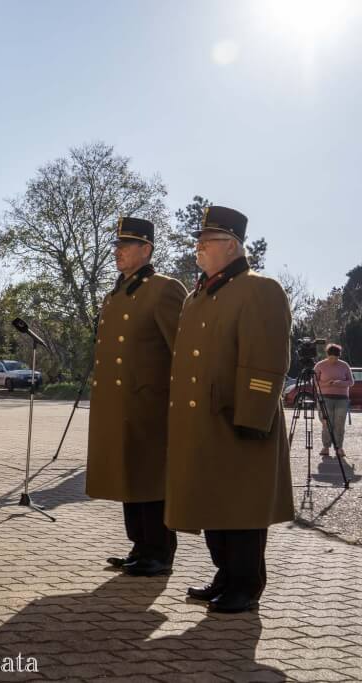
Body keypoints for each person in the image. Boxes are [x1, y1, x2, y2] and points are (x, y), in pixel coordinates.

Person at [165, 206, 293, 614]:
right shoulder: (199, 295)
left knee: (242, 506)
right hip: (204, 420)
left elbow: (267, 360)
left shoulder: (260, 289)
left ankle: (246, 584)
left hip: (240, 418)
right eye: (197, 242)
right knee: (214, 502)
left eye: (206, 243)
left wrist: (253, 416)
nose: (198, 250)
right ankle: (225, 575)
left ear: (233, 246)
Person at [86, 217, 187, 577]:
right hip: (121, 404)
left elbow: (183, 351)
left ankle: (159, 551)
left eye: (126, 246)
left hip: (150, 404)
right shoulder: (116, 293)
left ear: (146, 249)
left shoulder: (165, 289)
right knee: (129, 476)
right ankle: (140, 546)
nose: (118, 252)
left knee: (151, 479)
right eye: (117, 245)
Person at [314, 343, 354, 460]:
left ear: (339, 356)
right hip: (325, 398)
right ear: (327, 355)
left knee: (339, 424)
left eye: (336, 358)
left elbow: (351, 382)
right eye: (331, 357)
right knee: (326, 423)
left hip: (342, 399)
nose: (333, 360)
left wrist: (340, 383)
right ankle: (326, 447)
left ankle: (339, 447)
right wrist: (327, 383)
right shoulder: (320, 365)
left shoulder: (344, 365)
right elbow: (315, 382)